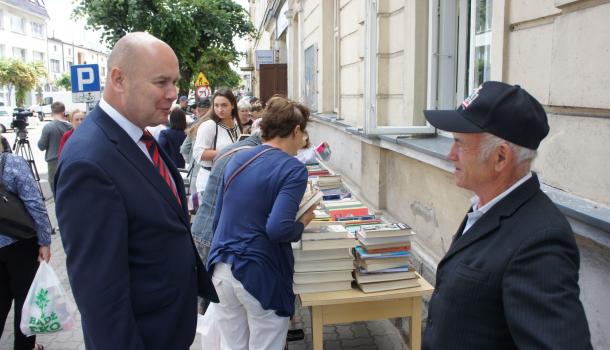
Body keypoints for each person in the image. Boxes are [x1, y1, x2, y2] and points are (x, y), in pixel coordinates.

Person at [54, 32, 218, 350]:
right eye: (161, 82)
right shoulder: (89, 161)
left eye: (175, 82)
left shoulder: (137, 136)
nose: (174, 94)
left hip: (169, 328)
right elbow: (101, 297)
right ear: (119, 79)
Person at [422, 81, 592, 350]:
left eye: (459, 144)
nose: (450, 154)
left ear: (501, 157)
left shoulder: (540, 241)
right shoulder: (487, 204)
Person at [207, 96, 315, 349]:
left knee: (232, 346)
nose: (303, 142)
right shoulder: (293, 169)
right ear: (296, 130)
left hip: (222, 267)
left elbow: (219, 216)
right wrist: (304, 221)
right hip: (259, 273)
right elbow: (278, 229)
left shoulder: (238, 157)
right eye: (304, 133)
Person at [0, 143, 52, 350]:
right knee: (26, 298)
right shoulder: (11, 163)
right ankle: (25, 346)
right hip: (18, 241)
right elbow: (34, 202)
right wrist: (45, 240)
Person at [192, 88, 242, 192]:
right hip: (209, 180)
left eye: (224, 105)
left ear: (232, 105)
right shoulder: (209, 125)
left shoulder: (236, 125)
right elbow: (198, 153)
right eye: (216, 105)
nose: (220, 109)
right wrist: (227, 153)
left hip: (229, 179)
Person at [37, 101, 71, 193]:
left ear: (52, 113)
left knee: (56, 189)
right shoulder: (71, 126)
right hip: (69, 160)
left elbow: (41, 146)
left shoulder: (48, 127)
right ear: (64, 111)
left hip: (54, 162)